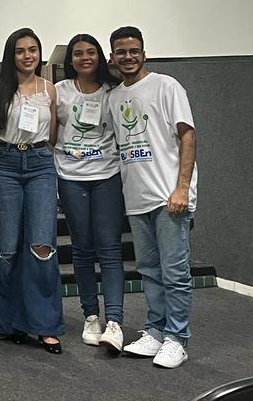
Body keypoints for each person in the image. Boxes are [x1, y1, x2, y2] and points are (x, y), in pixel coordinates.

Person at [108, 26, 197, 369]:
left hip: (168, 197)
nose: (128, 57)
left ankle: (177, 338)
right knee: (148, 270)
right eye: (121, 51)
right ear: (112, 57)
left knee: (174, 272)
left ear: (144, 53)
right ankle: (156, 331)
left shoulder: (166, 86)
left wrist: (182, 188)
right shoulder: (115, 97)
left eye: (134, 51)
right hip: (137, 198)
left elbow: (187, 136)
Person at [0, 28, 63, 353]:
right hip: (3, 163)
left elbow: (53, 133)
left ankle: (45, 325)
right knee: (7, 248)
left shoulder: (49, 89)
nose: (27, 56)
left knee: (42, 245)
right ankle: (12, 322)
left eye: (33, 50)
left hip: (40, 163)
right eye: (20, 50)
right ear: (10, 54)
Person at [54, 34, 125, 352]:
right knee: (82, 249)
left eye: (91, 52)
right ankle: (91, 316)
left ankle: (114, 321)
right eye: (78, 53)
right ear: (70, 59)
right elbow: (51, 133)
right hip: (71, 177)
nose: (85, 57)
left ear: (100, 57)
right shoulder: (59, 91)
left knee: (109, 248)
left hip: (107, 176)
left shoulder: (113, 92)